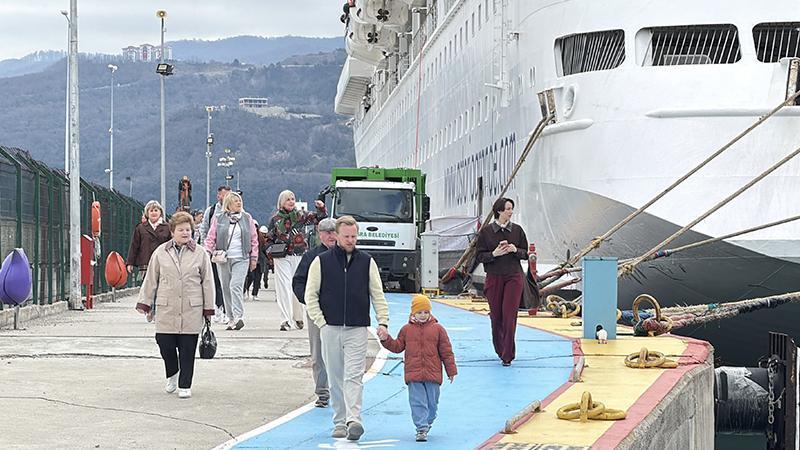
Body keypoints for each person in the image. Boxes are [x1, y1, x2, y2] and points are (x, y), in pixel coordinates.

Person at [305, 216, 390, 441]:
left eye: (354, 236)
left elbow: (377, 294)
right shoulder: (321, 262)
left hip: (357, 327)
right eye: (346, 236)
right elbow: (310, 294)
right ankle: (339, 421)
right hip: (330, 327)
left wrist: (383, 321)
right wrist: (321, 322)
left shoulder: (367, 262)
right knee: (335, 377)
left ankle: (354, 420)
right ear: (337, 235)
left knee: (353, 376)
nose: (351, 240)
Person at [134, 211, 215, 399]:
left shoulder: (200, 253)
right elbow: (151, 279)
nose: (185, 233)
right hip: (167, 307)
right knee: (165, 343)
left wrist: (208, 309)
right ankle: (172, 373)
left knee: (187, 348)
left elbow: (208, 282)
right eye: (181, 230)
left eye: (188, 230)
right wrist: (145, 303)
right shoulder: (161, 252)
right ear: (172, 231)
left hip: (191, 308)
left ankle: (185, 384)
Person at [379, 294, 457, 442]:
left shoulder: (438, 329)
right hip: (413, 374)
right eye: (419, 312)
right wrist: (386, 339)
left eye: (426, 312)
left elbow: (446, 352)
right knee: (417, 402)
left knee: (432, 404)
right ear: (413, 313)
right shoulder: (406, 330)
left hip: (433, 374)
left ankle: (428, 421)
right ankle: (421, 428)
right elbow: (397, 347)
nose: (423, 315)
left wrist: (451, 370)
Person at [474, 197, 529, 366]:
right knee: (496, 316)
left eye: (512, 208)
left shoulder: (517, 230)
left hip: (514, 276)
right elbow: (479, 256)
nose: (511, 212)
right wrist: (494, 254)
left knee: (509, 315)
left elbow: (526, 254)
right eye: (508, 209)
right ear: (499, 211)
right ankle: (500, 349)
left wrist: (515, 249)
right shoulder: (486, 232)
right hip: (494, 276)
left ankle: (507, 355)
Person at [291, 217, 337, 408]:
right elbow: (298, 282)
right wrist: (309, 302)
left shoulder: (348, 255)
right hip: (317, 311)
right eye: (327, 232)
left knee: (340, 353)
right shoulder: (311, 257)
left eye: (334, 231)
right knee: (318, 354)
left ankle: (340, 390)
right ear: (320, 234)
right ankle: (323, 392)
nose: (332, 235)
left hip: (341, 310)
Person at [265, 190, 327, 331]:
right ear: (281, 202)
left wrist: (321, 207)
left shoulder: (301, 216)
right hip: (281, 255)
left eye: (292, 199)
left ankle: (298, 317)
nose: (291, 201)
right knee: (284, 287)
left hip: (299, 254)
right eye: (288, 199)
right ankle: (285, 320)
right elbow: (269, 238)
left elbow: (320, 219)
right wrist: (270, 253)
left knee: (297, 285)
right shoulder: (275, 219)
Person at [204, 192, 258, 331]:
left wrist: (254, 257)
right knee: (226, 287)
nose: (238, 203)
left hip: (241, 257)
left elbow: (254, 238)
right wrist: (206, 253)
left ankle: (238, 316)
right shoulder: (219, 218)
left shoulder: (247, 218)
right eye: (235, 201)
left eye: (239, 200)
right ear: (228, 204)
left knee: (235, 285)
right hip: (223, 258)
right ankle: (231, 317)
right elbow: (211, 237)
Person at [200, 185, 232, 322]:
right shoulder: (211, 211)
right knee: (215, 281)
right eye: (225, 195)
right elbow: (204, 229)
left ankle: (227, 310)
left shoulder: (235, 211)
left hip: (230, 252)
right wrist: (206, 248)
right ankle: (217, 308)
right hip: (214, 253)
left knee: (228, 282)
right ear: (219, 196)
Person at [126, 200, 171, 283]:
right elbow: (134, 246)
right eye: (151, 210)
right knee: (146, 288)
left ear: (160, 212)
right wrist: (130, 263)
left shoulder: (167, 227)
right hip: (145, 263)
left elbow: (171, 246)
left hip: (163, 263)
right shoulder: (140, 228)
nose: (154, 213)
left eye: (156, 210)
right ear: (147, 213)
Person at [243, 221, 266, 301]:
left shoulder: (261, 238)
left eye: (256, 226)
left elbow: (264, 249)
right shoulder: (246, 236)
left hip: (259, 260)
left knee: (257, 279)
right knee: (250, 277)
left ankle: (255, 294)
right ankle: (245, 290)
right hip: (249, 260)